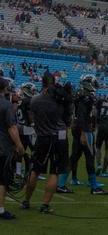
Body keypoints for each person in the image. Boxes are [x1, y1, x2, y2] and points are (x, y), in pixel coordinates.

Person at [23, 72, 68, 214]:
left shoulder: (35, 100)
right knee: (54, 172)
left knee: (35, 170)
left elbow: (32, 117)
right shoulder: (59, 100)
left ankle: (26, 201)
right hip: (57, 137)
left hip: (42, 137)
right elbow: (67, 119)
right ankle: (45, 204)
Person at [65, 74, 106, 194]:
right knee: (89, 156)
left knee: (74, 157)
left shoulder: (81, 95)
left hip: (78, 127)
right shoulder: (86, 98)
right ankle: (94, 186)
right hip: (84, 129)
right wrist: (83, 132)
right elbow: (82, 116)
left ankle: (61, 183)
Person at [0, 78, 27, 221]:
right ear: (4, 89)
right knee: (2, 180)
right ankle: (0, 209)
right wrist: (19, 145)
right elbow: (12, 127)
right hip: (3, 146)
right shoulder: (5, 105)